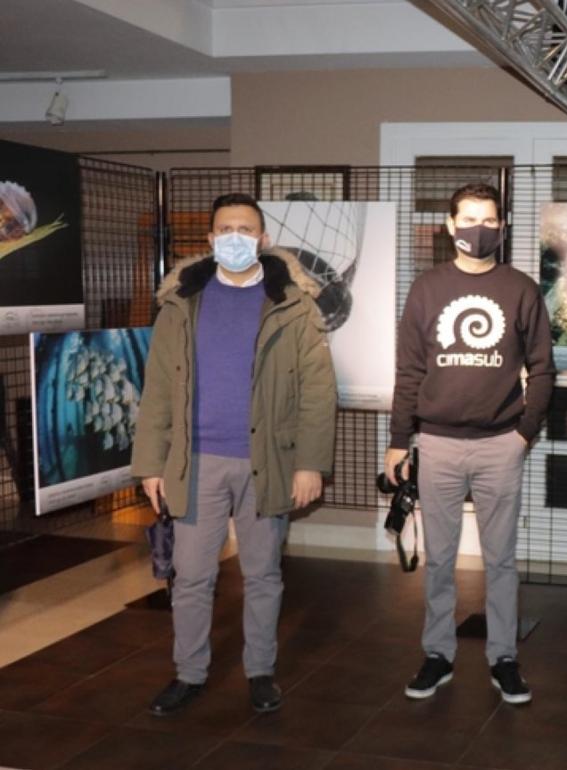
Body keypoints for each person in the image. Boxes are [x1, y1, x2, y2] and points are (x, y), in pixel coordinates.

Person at [132, 192, 337, 716]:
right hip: (194, 462)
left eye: (245, 229)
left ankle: (260, 671)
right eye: (225, 229)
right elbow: (158, 389)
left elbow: (318, 391)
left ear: (263, 238)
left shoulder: (292, 304)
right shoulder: (181, 304)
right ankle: (189, 673)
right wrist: (151, 464)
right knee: (191, 576)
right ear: (210, 239)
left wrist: (310, 463)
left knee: (263, 573)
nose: (235, 238)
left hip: (266, 461)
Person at [385, 182, 554, 706]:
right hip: (437, 443)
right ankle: (438, 654)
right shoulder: (427, 288)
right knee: (439, 560)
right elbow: (409, 370)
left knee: (501, 560)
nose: (478, 229)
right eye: (469, 219)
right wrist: (398, 440)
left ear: (501, 227)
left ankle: (504, 657)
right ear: (450, 226)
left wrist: (524, 433)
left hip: (500, 443)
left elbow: (543, 368)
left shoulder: (521, 289)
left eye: (489, 220)